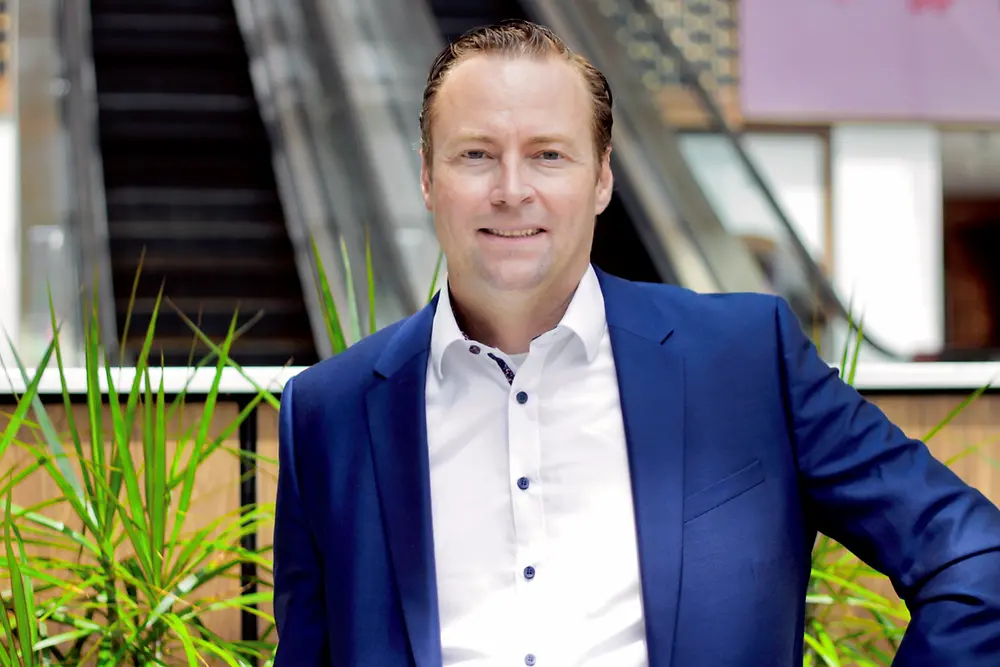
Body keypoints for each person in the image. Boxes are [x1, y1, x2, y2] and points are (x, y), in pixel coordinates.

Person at [271, 19, 1000, 667]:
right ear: (427, 178)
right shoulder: (326, 415)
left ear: (603, 179)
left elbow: (974, 555)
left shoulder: (748, 358)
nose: (512, 189)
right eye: (476, 155)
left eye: (550, 155)